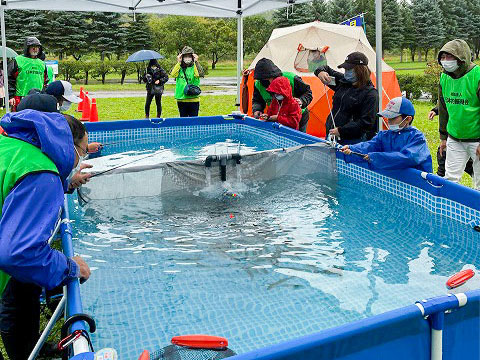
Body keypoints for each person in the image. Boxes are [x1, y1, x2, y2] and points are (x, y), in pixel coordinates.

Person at [0, 110, 91, 360]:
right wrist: (70, 268)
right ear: (67, 145)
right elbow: (17, 253)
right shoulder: (43, 174)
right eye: (82, 151)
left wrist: (63, 183)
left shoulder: (12, 148)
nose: (79, 160)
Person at [341, 97, 433, 173]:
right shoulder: (384, 135)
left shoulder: (417, 138)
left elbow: (407, 158)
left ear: (408, 119)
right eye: (387, 117)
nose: (389, 121)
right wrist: (351, 148)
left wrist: (375, 157)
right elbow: (370, 145)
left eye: (392, 118)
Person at [437, 39, 480, 189]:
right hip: (454, 137)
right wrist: (443, 137)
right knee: (450, 180)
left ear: (461, 58)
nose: (445, 61)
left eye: (450, 57)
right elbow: (443, 109)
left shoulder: (477, 75)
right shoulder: (444, 77)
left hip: (477, 139)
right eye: (442, 57)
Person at [314, 51, 378, 144]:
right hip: (332, 135)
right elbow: (325, 68)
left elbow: (366, 122)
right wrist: (320, 72)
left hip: (353, 141)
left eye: (349, 69)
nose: (346, 72)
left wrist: (341, 131)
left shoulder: (371, 94)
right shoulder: (343, 82)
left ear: (360, 70)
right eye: (345, 69)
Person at [252, 58, 312, 132]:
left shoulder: (291, 77)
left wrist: (302, 101)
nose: (267, 82)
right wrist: (257, 110)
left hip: (299, 116)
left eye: (268, 79)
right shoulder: (258, 84)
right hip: (276, 116)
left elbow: (308, 92)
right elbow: (257, 100)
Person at [428, 105, 473, 177]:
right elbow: (450, 100)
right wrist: (436, 110)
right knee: (443, 155)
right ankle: (441, 181)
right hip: (453, 135)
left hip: (471, 136)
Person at [7, 36, 49, 111]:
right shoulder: (18, 60)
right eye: (32, 47)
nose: (35, 49)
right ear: (27, 48)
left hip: (38, 98)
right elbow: (9, 78)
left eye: (37, 47)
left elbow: (45, 81)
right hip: (21, 97)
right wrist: (11, 96)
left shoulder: (42, 63)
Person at [170, 46, 204, 117]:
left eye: (189, 56)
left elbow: (199, 74)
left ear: (192, 57)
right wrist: (178, 62)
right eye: (185, 56)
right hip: (181, 100)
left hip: (193, 99)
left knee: (193, 122)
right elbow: (173, 74)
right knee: (183, 122)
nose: (187, 58)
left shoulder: (195, 67)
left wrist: (196, 62)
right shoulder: (179, 67)